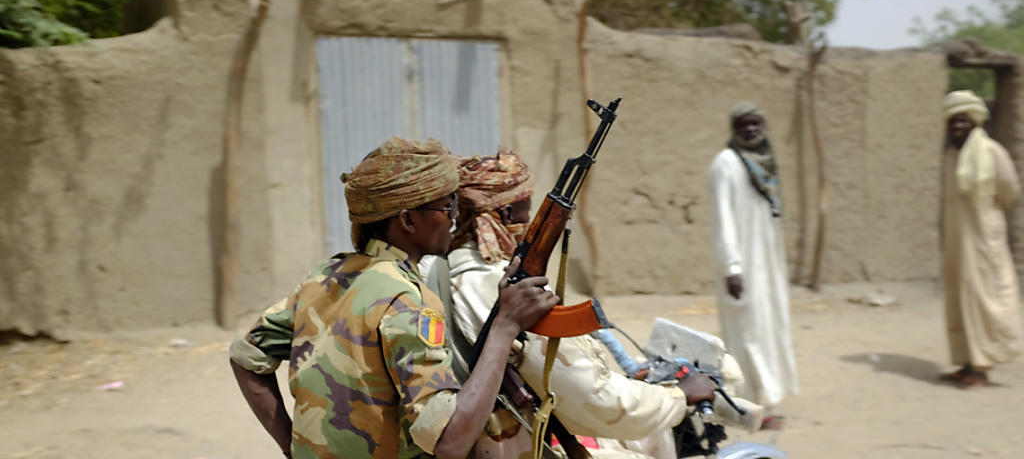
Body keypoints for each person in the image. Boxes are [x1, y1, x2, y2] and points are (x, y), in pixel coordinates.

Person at [227, 137, 557, 459]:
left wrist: (292, 447)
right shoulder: (408, 300)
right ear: (408, 220)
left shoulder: (323, 276)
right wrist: (505, 327)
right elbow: (450, 441)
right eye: (447, 205)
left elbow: (246, 358)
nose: (454, 217)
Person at [422, 148, 741, 459]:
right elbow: (596, 399)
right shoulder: (498, 286)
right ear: (506, 214)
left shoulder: (442, 269)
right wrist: (677, 396)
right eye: (526, 209)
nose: (529, 220)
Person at [706, 102, 798, 429]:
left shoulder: (764, 164)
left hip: (765, 268)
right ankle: (750, 411)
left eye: (756, 123)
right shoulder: (725, 164)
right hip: (741, 269)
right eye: (744, 124)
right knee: (747, 337)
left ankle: (763, 406)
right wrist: (732, 268)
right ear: (734, 128)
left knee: (765, 332)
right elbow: (723, 221)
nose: (751, 129)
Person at [939, 90, 1024, 388]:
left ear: (974, 121)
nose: (957, 126)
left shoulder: (991, 151)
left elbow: (1009, 190)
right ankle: (966, 362)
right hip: (957, 238)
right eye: (953, 120)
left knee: (985, 296)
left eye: (963, 120)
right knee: (958, 296)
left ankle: (982, 365)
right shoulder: (952, 155)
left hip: (983, 238)